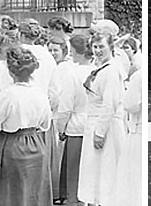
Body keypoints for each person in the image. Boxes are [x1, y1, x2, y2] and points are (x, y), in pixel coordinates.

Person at [0, 47, 52, 205]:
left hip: (12, 145)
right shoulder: (39, 92)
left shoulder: (8, 94)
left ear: (10, 71)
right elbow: (46, 123)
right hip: (36, 145)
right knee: (34, 192)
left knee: (10, 194)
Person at [51, 31, 103, 205]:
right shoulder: (99, 71)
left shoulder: (73, 74)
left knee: (74, 169)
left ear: (76, 50)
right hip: (95, 123)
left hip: (76, 126)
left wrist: (61, 128)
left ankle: (74, 199)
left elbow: (65, 106)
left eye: (72, 49)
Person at [92, 48, 142, 206]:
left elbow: (129, 104)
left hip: (133, 128)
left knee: (129, 172)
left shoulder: (135, 77)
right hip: (125, 124)